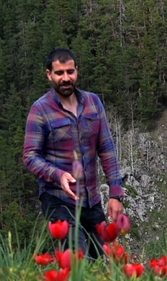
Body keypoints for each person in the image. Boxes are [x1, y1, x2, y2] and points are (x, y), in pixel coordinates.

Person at [23, 48, 125, 258]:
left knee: (102, 261)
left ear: (77, 70)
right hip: (58, 200)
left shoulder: (93, 102)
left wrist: (115, 194)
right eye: (59, 73)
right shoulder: (40, 110)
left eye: (70, 72)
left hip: (91, 200)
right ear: (49, 74)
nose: (66, 78)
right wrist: (57, 175)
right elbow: (30, 156)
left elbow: (106, 149)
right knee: (78, 260)